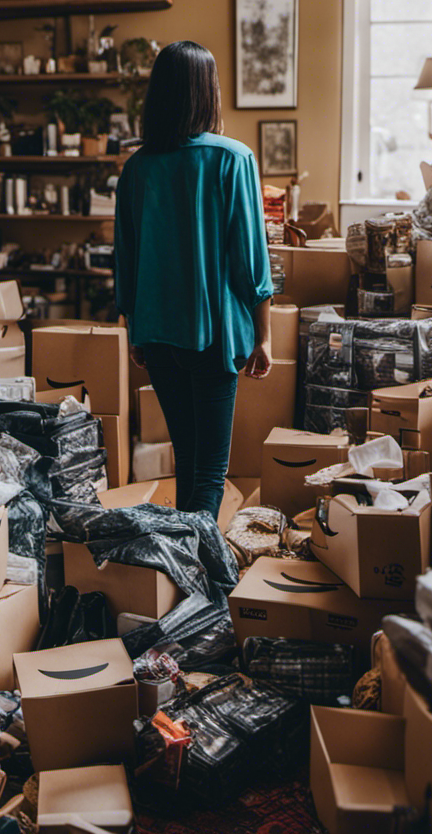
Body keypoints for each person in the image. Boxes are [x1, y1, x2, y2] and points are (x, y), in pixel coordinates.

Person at [114, 40, 274, 519]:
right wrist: (264, 335)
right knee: (209, 474)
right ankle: (201, 578)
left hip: (157, 335)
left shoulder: (137, 169)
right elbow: (251, 260)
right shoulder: (233, 159)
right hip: (214, 337)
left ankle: (176, 574)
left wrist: (133, 330)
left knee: (187, 460)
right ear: (209, 93)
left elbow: (126, 257)